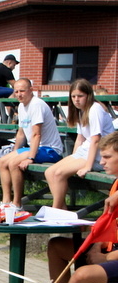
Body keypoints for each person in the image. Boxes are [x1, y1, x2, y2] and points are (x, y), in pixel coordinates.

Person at [23, 131, 118, 283]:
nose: (102, 162)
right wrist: (95, 249)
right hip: (108, 253)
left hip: (114, 257)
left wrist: (107, 257)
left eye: (107, 157)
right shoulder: (115, 185)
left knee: (82, 275)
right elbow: (108, 226)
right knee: (57, 246)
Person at [0, 78, 63, 214]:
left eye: (22, 91)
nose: (19, 94)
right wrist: (13, 152)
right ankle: (6, 202)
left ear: (31, 90)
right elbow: (21, 134)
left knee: (14, 163)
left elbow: (36, 134)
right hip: (36, 147)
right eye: (17, 91)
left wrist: (30, 157)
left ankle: (17, 204)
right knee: (3, 161)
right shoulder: (21, 106)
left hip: (50, 149)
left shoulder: (36, 105)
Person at [45, 79, 114, 209]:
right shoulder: (81, 110)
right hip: (84, 150)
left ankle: (56, 209)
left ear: (88, 95)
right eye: (73, 96)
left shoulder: (95, 109)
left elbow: (96, 140)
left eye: (80, 96)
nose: (76, 100)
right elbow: (80, 138)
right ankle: (62, 210)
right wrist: (73, 157)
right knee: (50, 172)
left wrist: (88, 166)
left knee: (59, 173)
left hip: (98, 154)